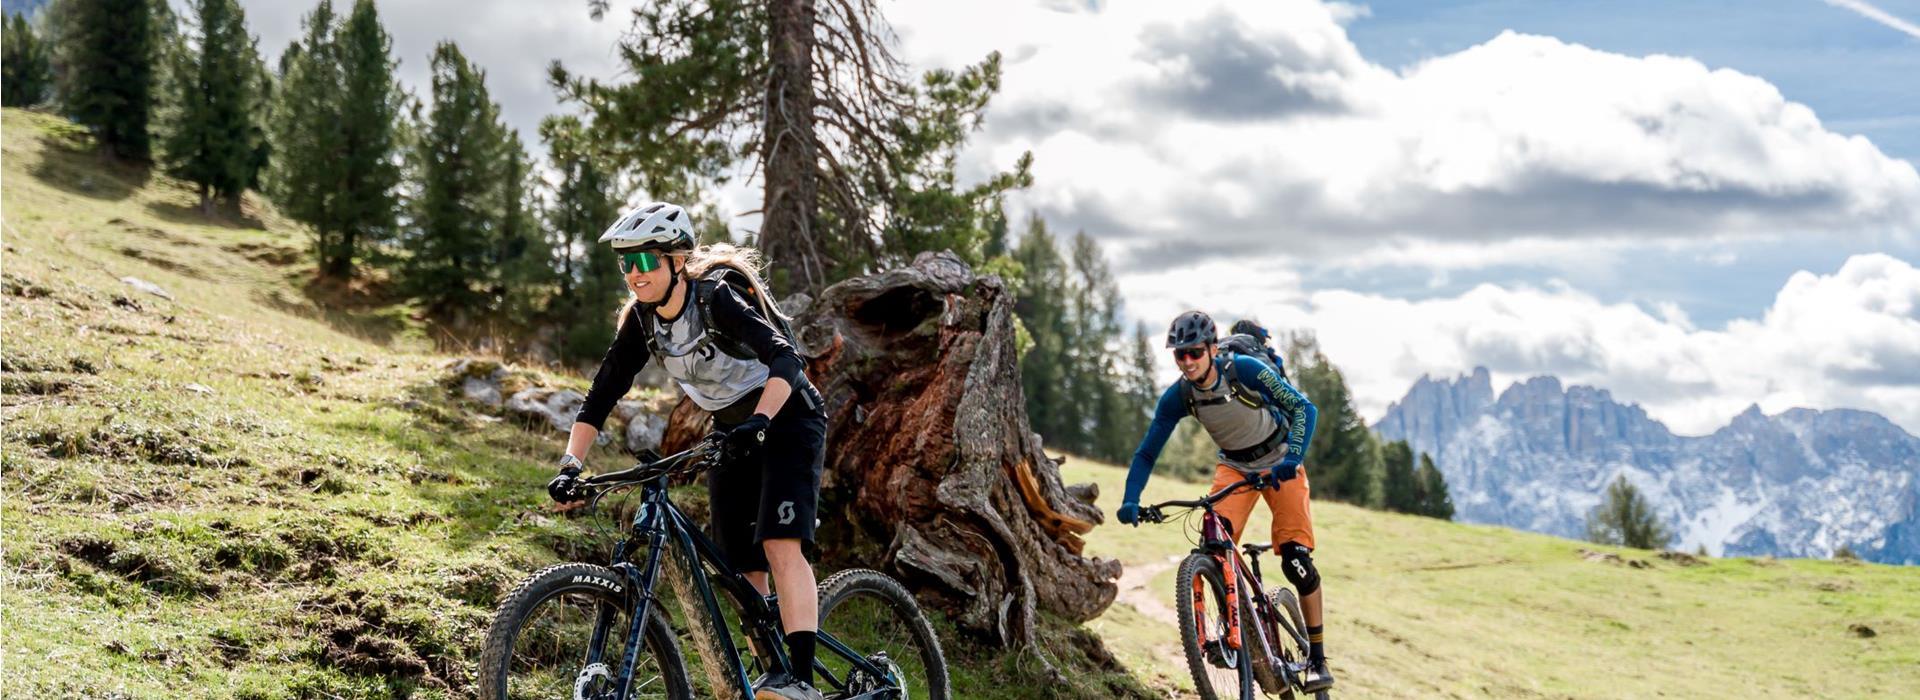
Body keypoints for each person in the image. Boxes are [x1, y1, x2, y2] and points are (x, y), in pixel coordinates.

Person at [548, 202, 830, 700]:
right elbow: (600, 397)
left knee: (779, 544)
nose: (634, 275)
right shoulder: (642, 322)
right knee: (740, 569)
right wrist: (571, 464)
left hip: (787, 416)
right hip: (733, 431)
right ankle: (770, 677)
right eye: (625, 264)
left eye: (645, 262)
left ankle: (803, 681)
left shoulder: (715, 299)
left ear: (677, 260)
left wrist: (762, 419)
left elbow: (787, 357)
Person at [1118, 310, 1334, 692]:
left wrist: (1293, 459)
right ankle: (1227, 629)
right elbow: (1147, 452)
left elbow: (1304, 408)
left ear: (1212, 349)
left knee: (1297, 561)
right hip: (1235, 468)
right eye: (1179, 355)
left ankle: (1317, 659)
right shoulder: (1180, 395)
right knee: (1214, 545)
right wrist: (1131, 499)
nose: (1187, 361)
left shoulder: (1245, 371)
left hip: (1280, 461)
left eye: (1194, 352)